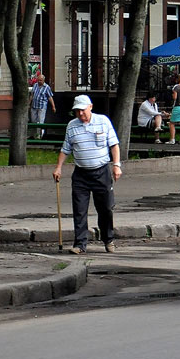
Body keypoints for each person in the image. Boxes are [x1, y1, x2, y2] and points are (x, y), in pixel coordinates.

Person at [52, 95, 121, 255]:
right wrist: (58, 168)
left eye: (82, 110)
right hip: (81, 174)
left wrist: (116, 165)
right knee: (79, 209)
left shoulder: (103, 121)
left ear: (90, 107)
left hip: (101, 172)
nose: (80, 114)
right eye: (77, 111)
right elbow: (66, 149)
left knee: (105, 209)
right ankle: (80, 244)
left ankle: (108, 239)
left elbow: (114, 145)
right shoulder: (72, 126)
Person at [28, 74, 56, 138]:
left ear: (43, 80)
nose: (39, 82)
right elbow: (32, 95)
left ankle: (40, 135)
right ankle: (34, 135)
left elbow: (50, 97)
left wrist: (53, 106)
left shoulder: (47, 87)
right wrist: (29, 104)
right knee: (33, 121)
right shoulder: (35, 85)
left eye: (40, 80)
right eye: (38, 80)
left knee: (40, 121)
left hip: (42, 107)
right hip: (34, 106)